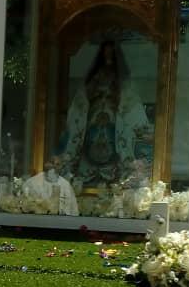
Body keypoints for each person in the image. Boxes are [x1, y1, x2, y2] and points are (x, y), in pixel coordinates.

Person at [61, 39, 150, 185]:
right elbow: (84, 96)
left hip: (113, 117)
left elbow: (128, 99)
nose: (108, 56)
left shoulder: (121, 80)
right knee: (93, 137)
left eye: (110, 53)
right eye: (106, 53)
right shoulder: (95, 77)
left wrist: (113, 97)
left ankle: (114, 174)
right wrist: (96, 96)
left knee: (110, 139)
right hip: (95, 115)